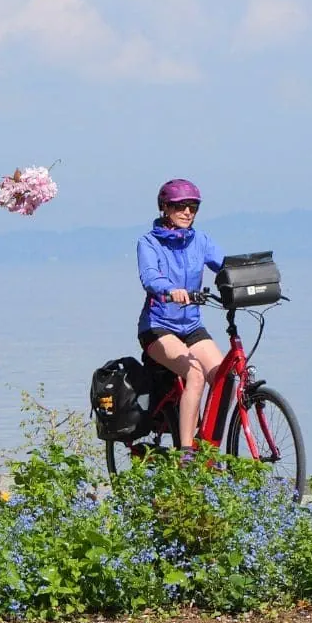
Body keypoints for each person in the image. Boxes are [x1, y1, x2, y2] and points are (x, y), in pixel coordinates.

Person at [136, 178, 224, 449]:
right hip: (158, 327)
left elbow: (225, 265)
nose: (187, 212)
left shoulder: (200, 240)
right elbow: (150, 276)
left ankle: (207, 443)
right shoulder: (148, 243)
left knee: (224, 376)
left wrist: (251, 279)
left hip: (191, 327)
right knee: (195, 374)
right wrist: (170, 289)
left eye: (193, 207)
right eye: (180, 206)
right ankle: (186, 453)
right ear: (165, 207)